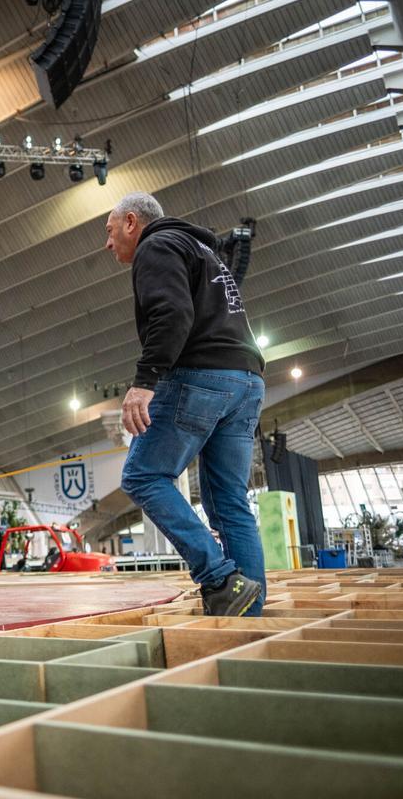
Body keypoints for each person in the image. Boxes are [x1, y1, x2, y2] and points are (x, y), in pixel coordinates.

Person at [106, 193, 266, 617]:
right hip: (246, 380)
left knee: (143, 475)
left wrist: (144, 383)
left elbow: (172, 314)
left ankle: (217, 577)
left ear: (131, 222)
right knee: (230, 501)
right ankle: (247, 610)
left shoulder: (156, 246)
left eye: (109, 231)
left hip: (200, 375)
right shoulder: (204, 252)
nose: (108, 244)